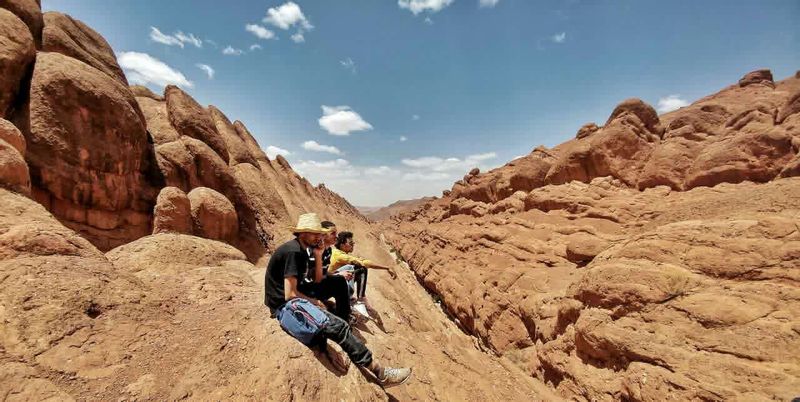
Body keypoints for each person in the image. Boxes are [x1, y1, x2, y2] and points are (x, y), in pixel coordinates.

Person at [265, 213, 412, 387]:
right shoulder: (293, 252)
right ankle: (380, 373)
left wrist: (323, 265)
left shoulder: (303, 249)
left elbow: (313, 278)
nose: (319, 237)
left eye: (320, 233)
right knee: (337, 326)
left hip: (294, 297)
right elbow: (290, 294)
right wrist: (315, 302)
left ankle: (339, 327)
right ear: (302, 233)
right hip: (284, 305)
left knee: (338, 286)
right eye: (315, 233)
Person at [329, 231, 397, 317]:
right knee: (361, 268)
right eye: (350, 243)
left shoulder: (338, 253)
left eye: (353, 243)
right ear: (342, 245)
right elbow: (364, 263)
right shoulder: (339, 255)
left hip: (332, 284)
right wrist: (386, 268)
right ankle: (359, 300)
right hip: (330, 286)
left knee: (354, 269)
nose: (353, 245)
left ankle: (356, 299)